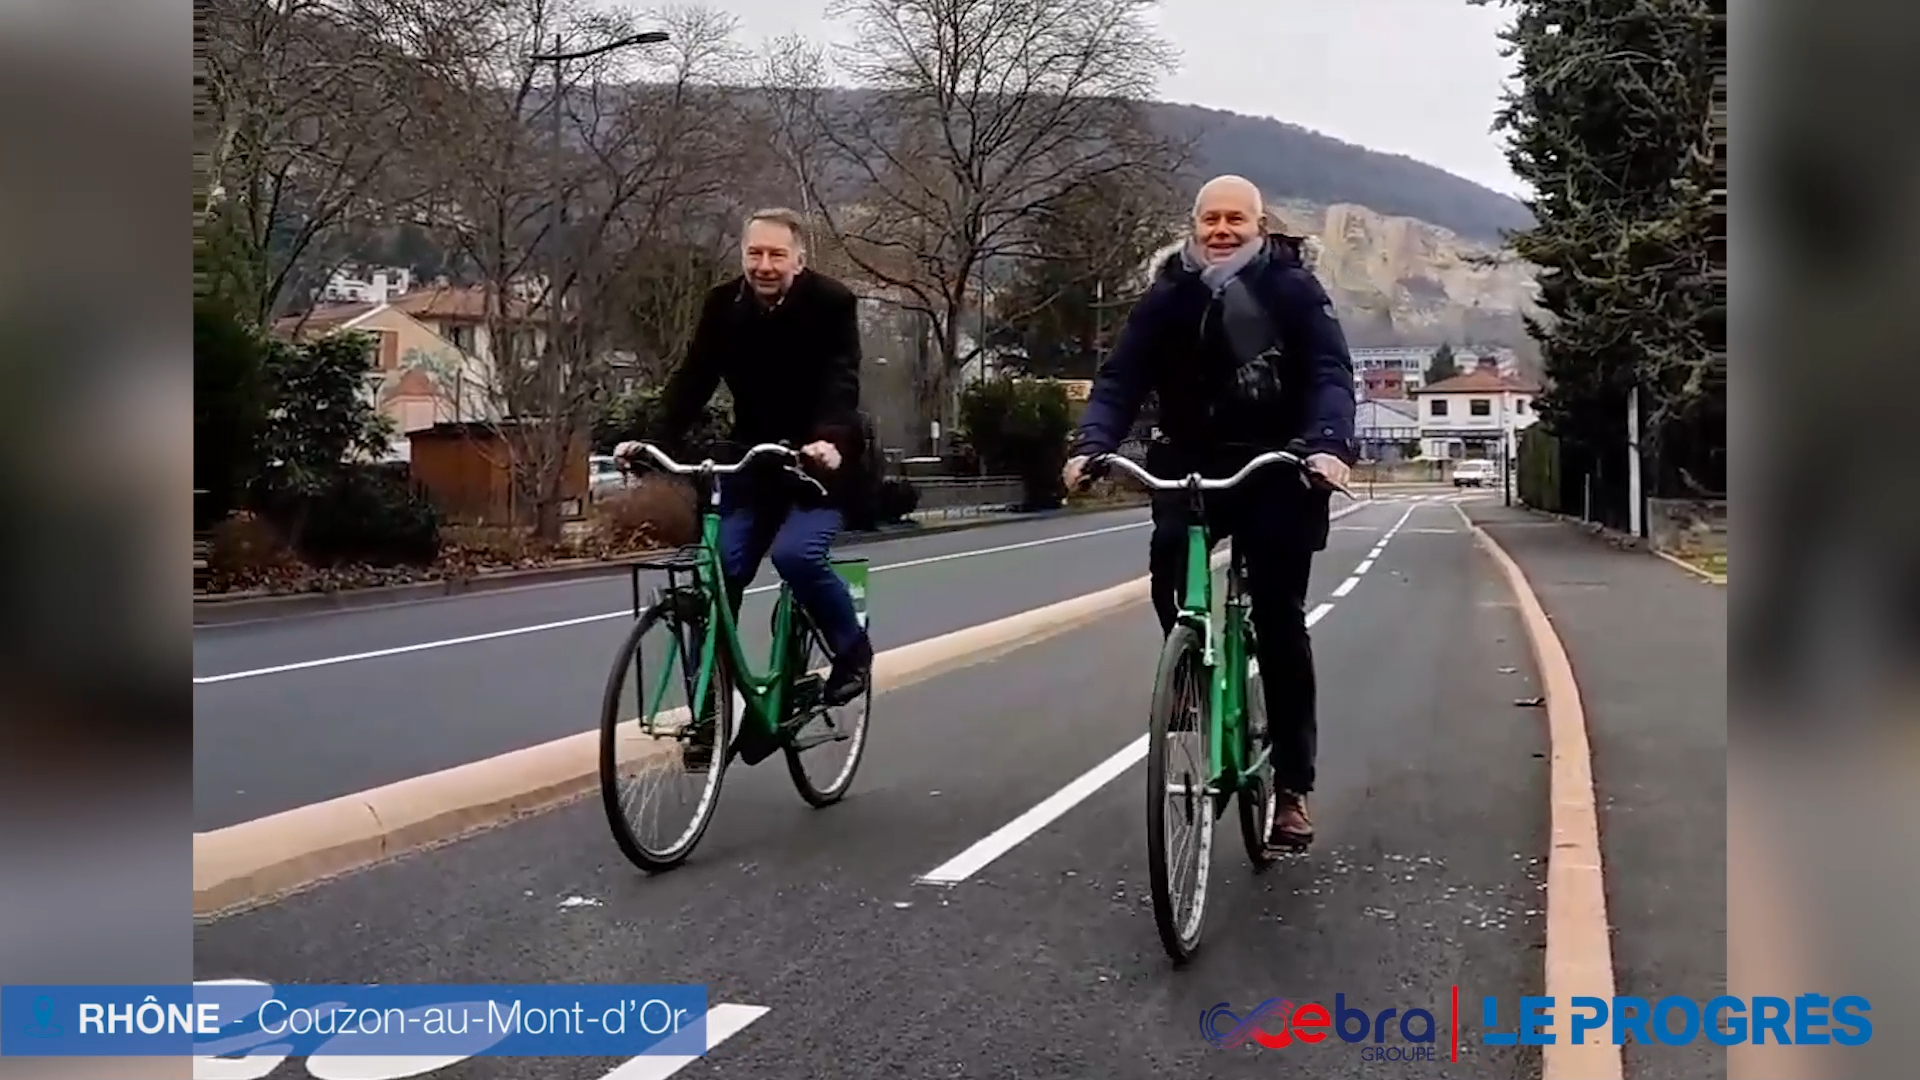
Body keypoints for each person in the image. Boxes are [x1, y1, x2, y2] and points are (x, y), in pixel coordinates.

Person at [1061, 175, 1357, 849]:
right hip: (1190, 460)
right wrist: (1092, 444)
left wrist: (1328, 446)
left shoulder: (1293, 289)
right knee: (1170, 566)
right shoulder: (1168, 294)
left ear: (1260, 225)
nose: (1223, 230)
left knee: (1280, 618)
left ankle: (1292, 788)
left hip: (1279, 463)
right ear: (1194, 225)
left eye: (1237, 220)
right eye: (1211, 220)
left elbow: (1330, 376)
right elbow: (1121, 379)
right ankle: (1189, 670)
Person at [619, 207, 875, 745]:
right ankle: (708, 716)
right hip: (754, 463)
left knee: (796, 556)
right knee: (715, 575)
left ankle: (853, 653)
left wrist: (828, 439)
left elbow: (840, 378)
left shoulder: (831, 303)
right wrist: (652, 442)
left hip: (819, 464)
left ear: (798, 260)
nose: (764, 265)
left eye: (776, 255)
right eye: (755, 253)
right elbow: (692, 380)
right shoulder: (723, 306)